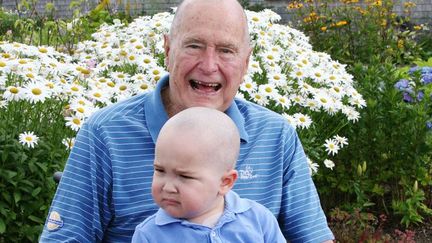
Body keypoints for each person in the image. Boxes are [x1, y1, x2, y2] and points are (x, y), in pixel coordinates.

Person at [40, 0, 335, 242]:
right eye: (193, 46)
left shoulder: (275, 135)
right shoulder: (105, 134)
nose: (208, 65)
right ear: (168, 51)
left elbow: (314, 238)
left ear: (245, 63)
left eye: (226, 51)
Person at [131, 107, 286, 242]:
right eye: (160, 170)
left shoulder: (258, 220)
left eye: (185, 176)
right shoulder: (150, 235)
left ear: (225, 182)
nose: (168, 187)